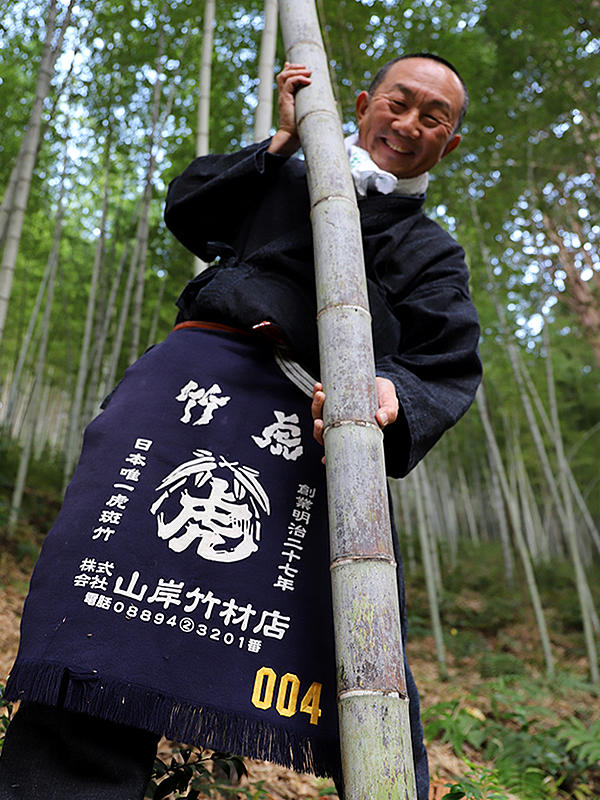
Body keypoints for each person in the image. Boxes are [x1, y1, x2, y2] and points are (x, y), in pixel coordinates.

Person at [0, 54, 481, 800]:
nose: (408, 123)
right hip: (192, 386)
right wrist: (283, 143)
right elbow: (190, 209)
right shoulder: (282, 173)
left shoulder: (434, 253)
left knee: (360, 642)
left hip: (320, 428)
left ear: (448, 145)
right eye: (399, 102)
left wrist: (392, 395)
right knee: (100, 610)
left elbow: (445, 363)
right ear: (361, 105)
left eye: (433, 117)